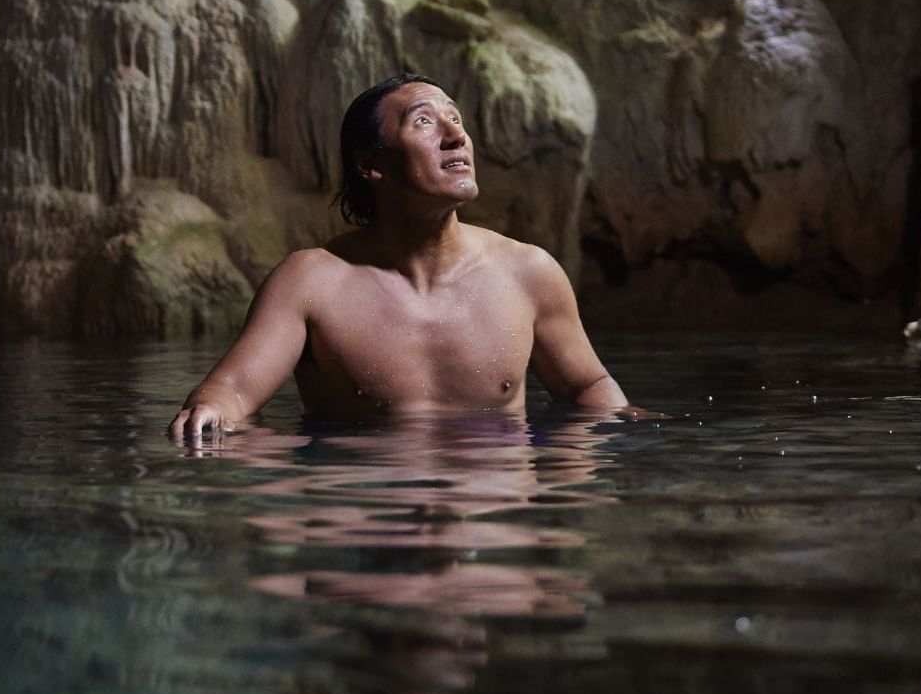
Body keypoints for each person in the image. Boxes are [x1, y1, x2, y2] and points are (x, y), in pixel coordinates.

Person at [169, 73, 634, 443]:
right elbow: (234, 391)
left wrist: (570, 498)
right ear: (371, 165)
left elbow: (586, 387)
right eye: (425, 122)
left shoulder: (528, 273)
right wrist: (209, 409)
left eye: (457, 119)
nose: (457, 136)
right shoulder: (311, 282)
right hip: (366, 521)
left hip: (493, 530)